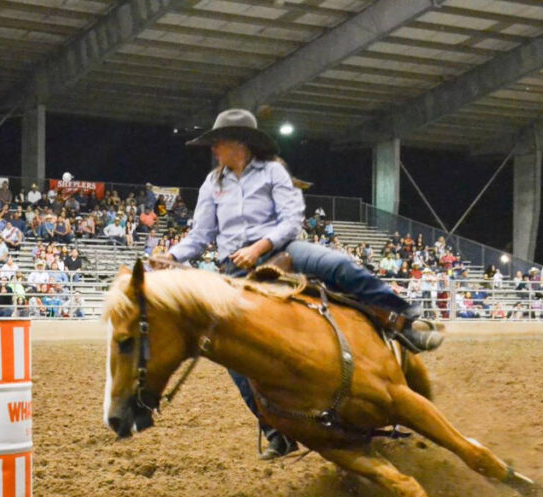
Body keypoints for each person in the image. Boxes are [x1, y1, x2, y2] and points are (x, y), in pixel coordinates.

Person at [159, 108, 444, 460]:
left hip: (283, 250)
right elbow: (201, 235)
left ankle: (405, 321)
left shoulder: (273, 172)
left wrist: (260, 246)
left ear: (242, 144)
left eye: (220, 142)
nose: (214, 148)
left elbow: (292, 220)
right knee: (229, 352)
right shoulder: (212, 184)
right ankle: (275, 429)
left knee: (339, 264)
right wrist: (173, 256)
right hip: (233, 268)